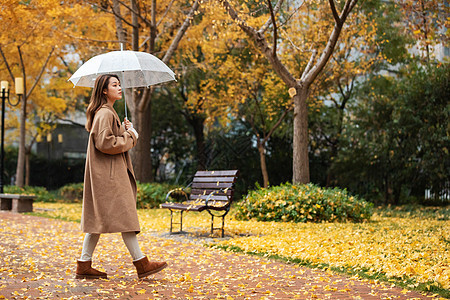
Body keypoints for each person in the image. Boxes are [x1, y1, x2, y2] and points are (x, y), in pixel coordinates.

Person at [76, 74, 167, 280]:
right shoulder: (105, 114)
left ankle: (84, 263)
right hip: (110, 177)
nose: (119, 88)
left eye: (119, 84)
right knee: (126, 216)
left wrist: (125, 129)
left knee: (98, 220)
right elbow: (106, 143)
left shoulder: (108, 113)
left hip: (108, 175)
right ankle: (141, 263)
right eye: (114, 85)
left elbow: (107, 139)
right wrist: (131, 135)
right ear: (104, 91)